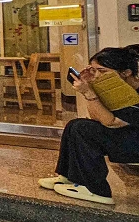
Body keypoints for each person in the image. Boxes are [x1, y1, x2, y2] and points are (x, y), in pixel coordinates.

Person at [38, 48, 139, 205]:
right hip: (129, 137)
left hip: (134, 145)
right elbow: (97, 117)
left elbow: (110, 122)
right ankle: (69, 177)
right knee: (75, 125)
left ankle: (96, 189)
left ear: (126, 72)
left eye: (102, 71)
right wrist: (89, 90)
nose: (98, 76)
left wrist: (90, 94)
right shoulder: (115, 89)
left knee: (83, 129)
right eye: (94, 70)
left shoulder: (133, 95)